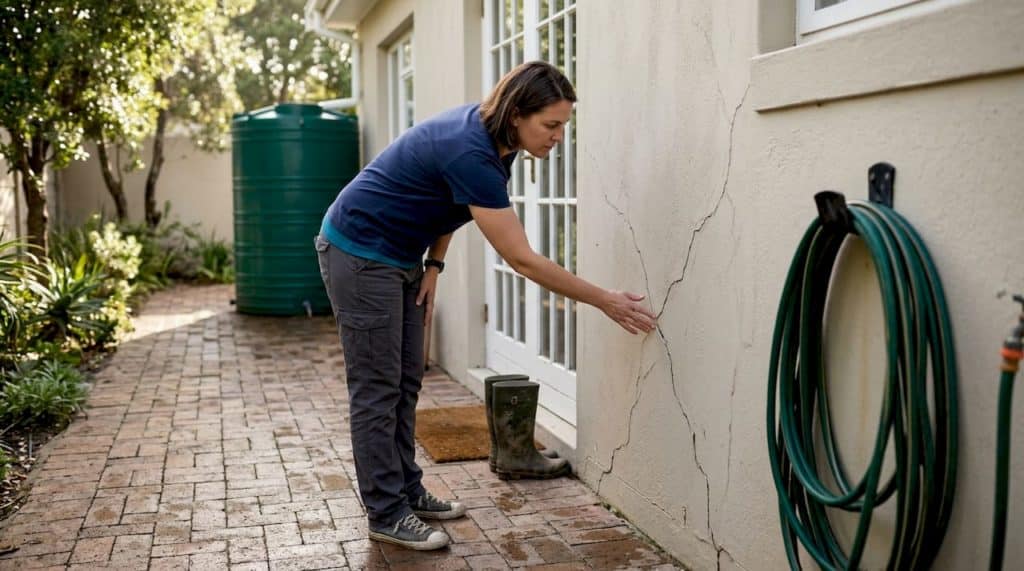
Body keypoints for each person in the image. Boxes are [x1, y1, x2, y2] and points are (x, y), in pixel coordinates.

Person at [314, 60, 657, 551]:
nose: (559, 137)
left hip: (403, 257)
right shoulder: (471, 151)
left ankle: (406, 490)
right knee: (377, 389)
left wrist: (434, 265)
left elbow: (448, 203)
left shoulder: (500, 142)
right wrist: (604, 300)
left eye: (564, 126)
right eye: (552, 125)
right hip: (360, 254)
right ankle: (386, 512)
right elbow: (521, 259)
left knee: (407, 379)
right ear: (518, 113)